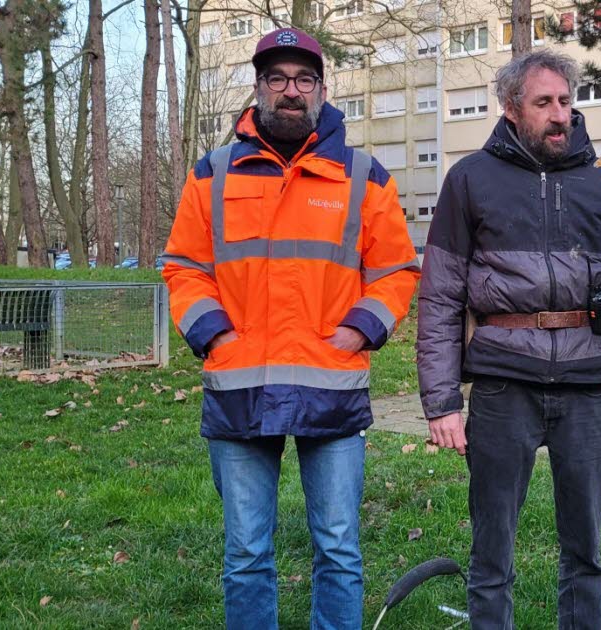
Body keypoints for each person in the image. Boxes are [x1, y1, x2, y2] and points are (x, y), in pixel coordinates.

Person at [161, 28, 419, 629]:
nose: (291, 90)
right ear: (259, 89)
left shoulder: (364, 176)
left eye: (304, 79)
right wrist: (214, 334)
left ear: (323, 90)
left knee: (339, 548)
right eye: (277, 78)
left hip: (331, 382)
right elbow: (184, 267)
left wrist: (360, 330)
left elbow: (397, 272)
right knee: (246, 553)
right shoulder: (213, 174)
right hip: (240, 384)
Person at [416, 49, 601, 629]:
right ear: (511, 107)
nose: (559, 114)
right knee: (492, 550)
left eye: (565, 102)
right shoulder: (470, 179)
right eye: (544, 102)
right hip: (504, 384)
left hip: (586, 385)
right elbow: (441, 295)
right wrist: (442, 401)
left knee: (587, 551)